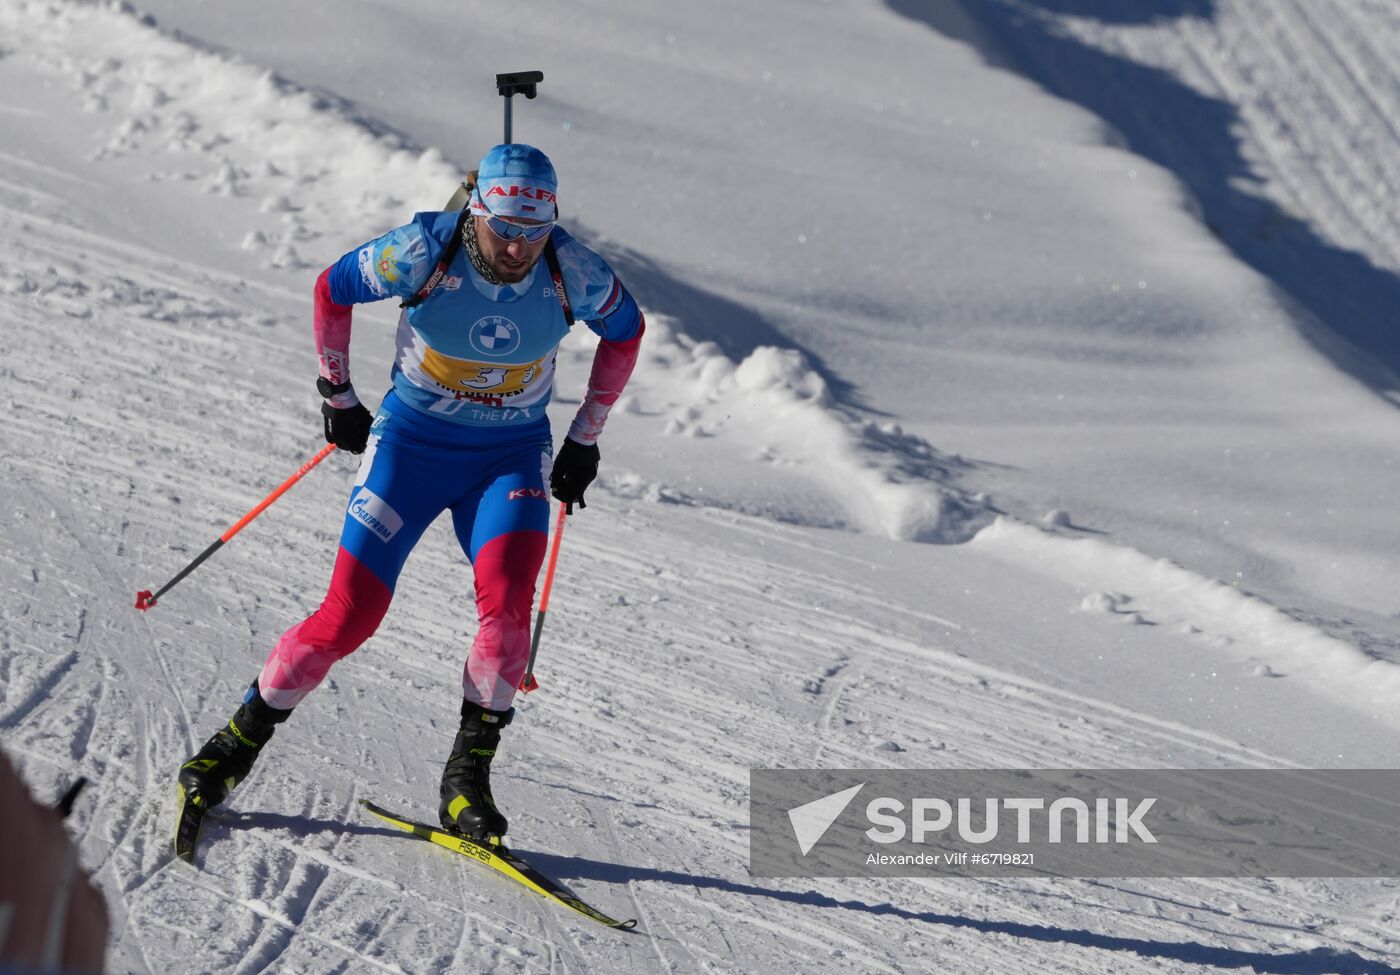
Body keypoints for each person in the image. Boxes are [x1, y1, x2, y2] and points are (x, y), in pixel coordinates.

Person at [177, 143, 644, 845]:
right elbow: (332, 288)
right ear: (476, 211)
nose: (517, 248)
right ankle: (232, 745)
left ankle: (466, 782)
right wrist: (337, 393)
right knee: (350, 616)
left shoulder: (572, 269)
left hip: (508, 457)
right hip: (412, 448)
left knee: (507, 613)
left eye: (533, 231)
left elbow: (627, 333)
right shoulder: (424, 249)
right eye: (503, 229)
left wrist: (585, 437)